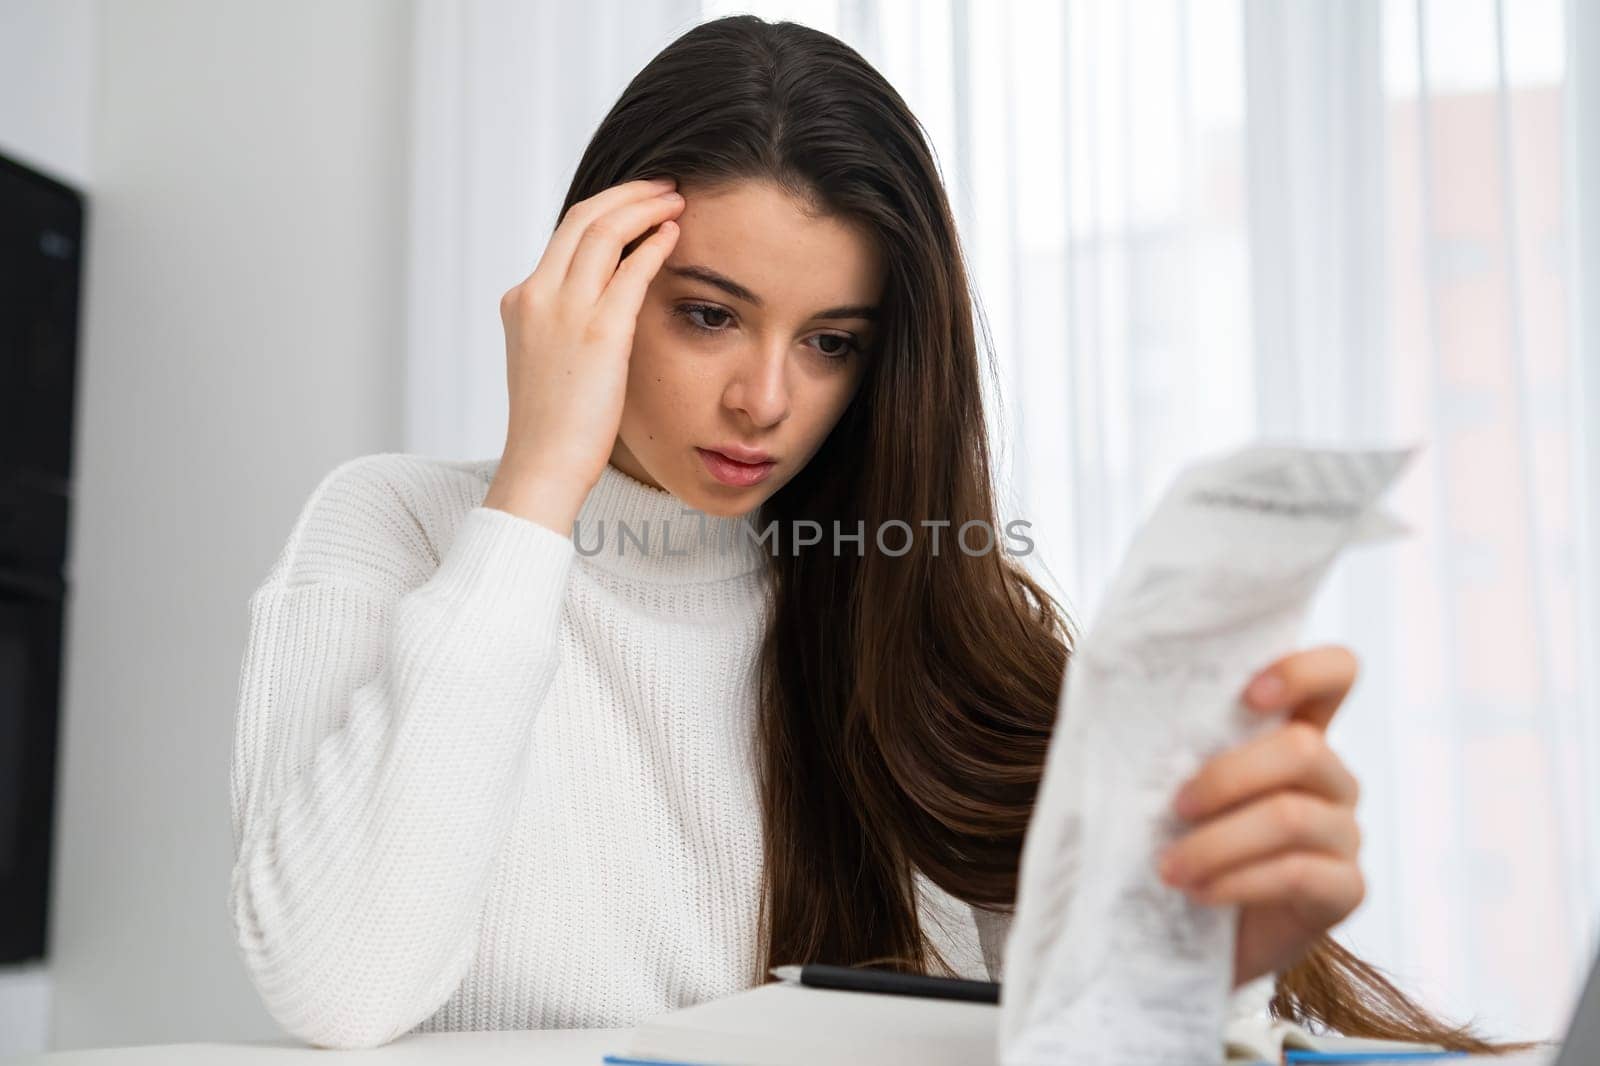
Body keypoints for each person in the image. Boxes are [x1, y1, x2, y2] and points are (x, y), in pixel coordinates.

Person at [227, 13, 1523, 1054]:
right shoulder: (402, 528)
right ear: (592, 281)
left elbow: (1089, 1028)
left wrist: (1206, 957)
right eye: (708, 315)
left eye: (833, 342)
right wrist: (539, 488)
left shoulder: (937, 609)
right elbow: (337, 986)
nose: (768, 401)